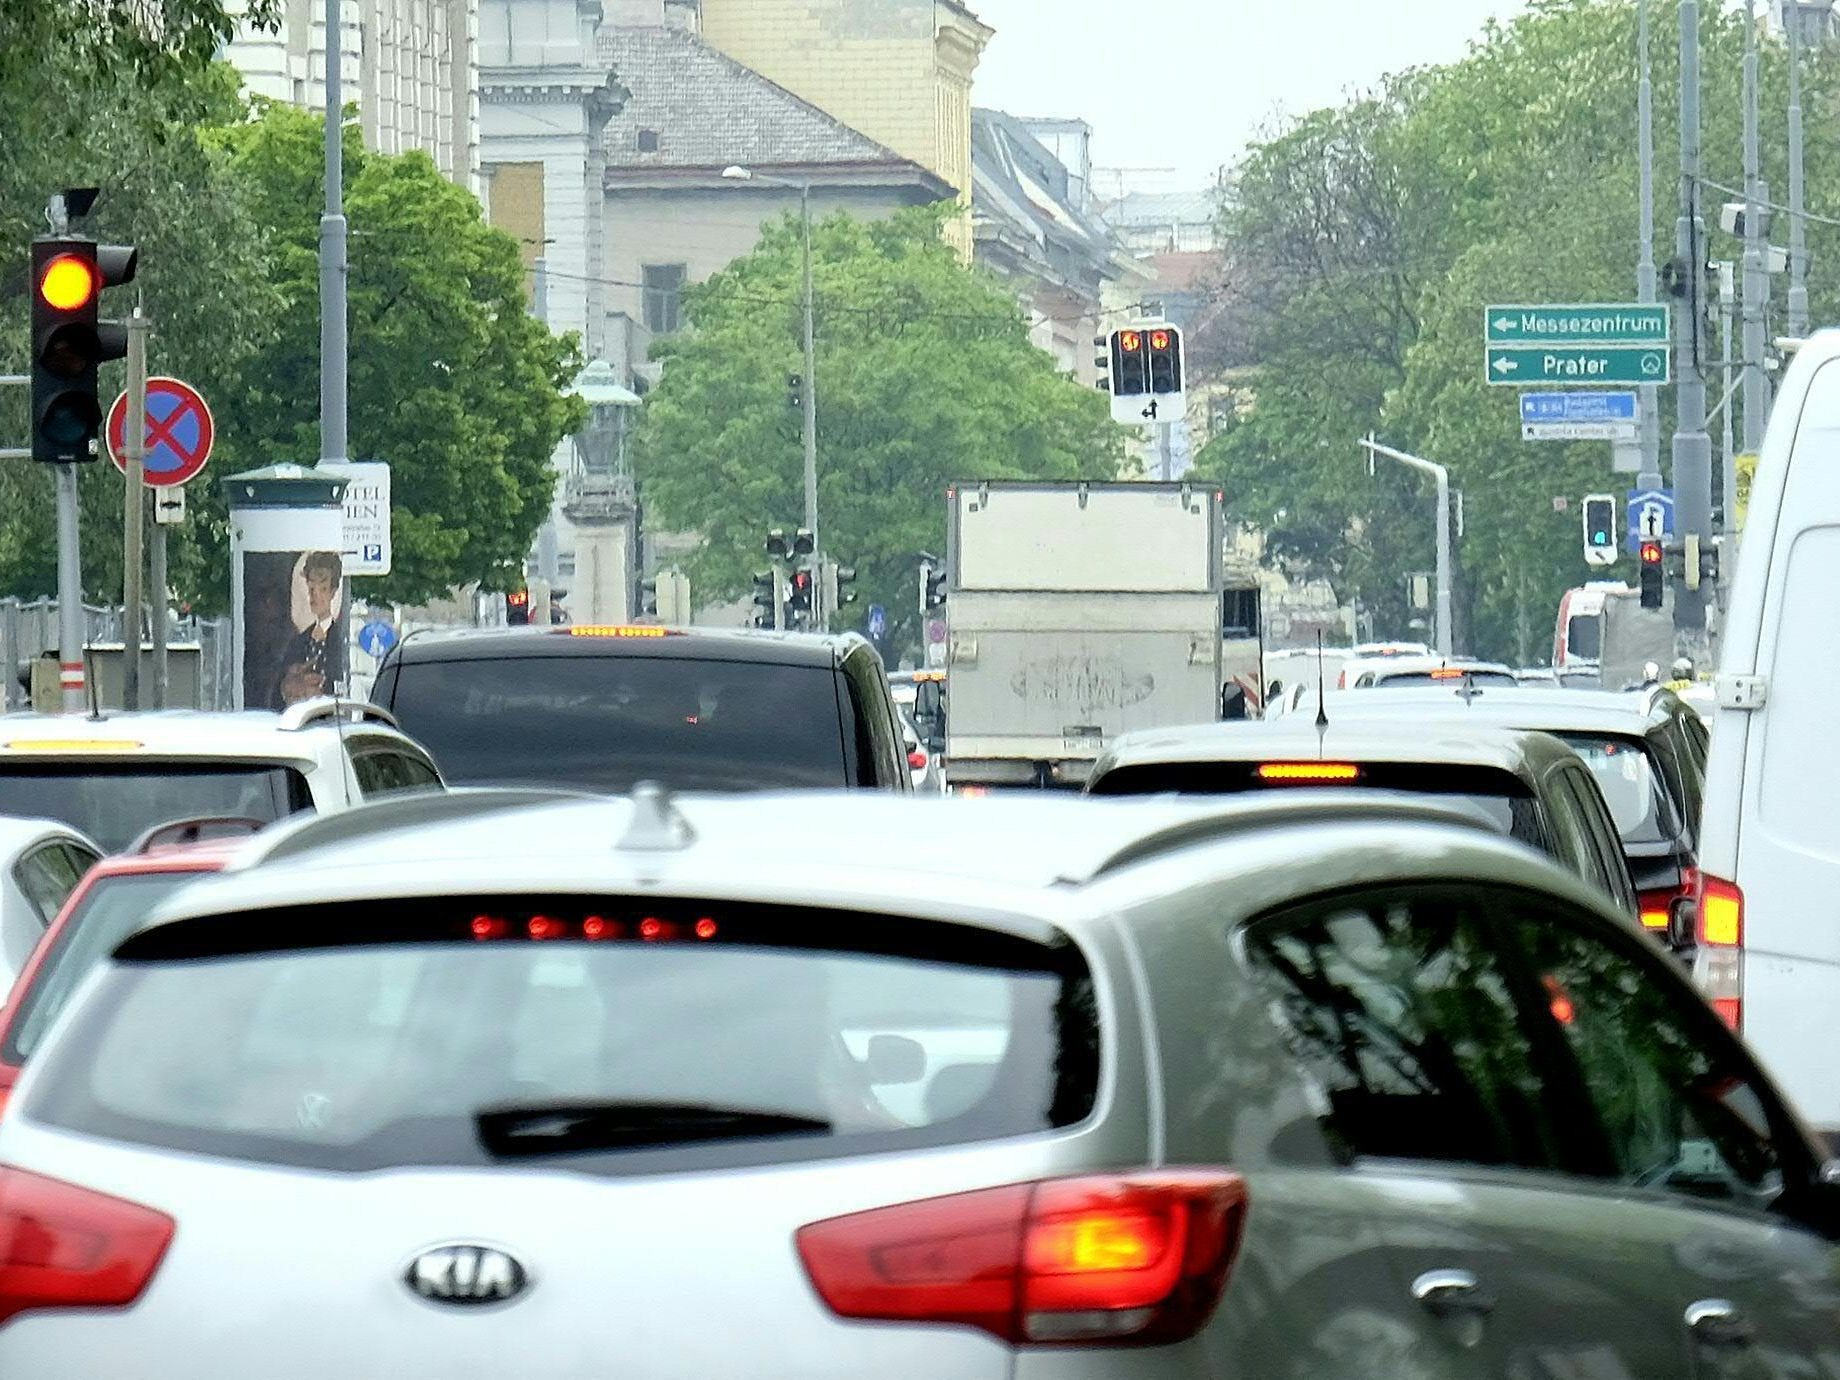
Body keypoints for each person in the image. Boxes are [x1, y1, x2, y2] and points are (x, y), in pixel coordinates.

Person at [271, 551, 346, 709]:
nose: (315, 596)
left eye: (323, 589)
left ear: (333, 593)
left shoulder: (339, 640)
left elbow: (339, 682)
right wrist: (290, 684)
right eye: (311, 588)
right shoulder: (298, 641)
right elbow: (278, 693)